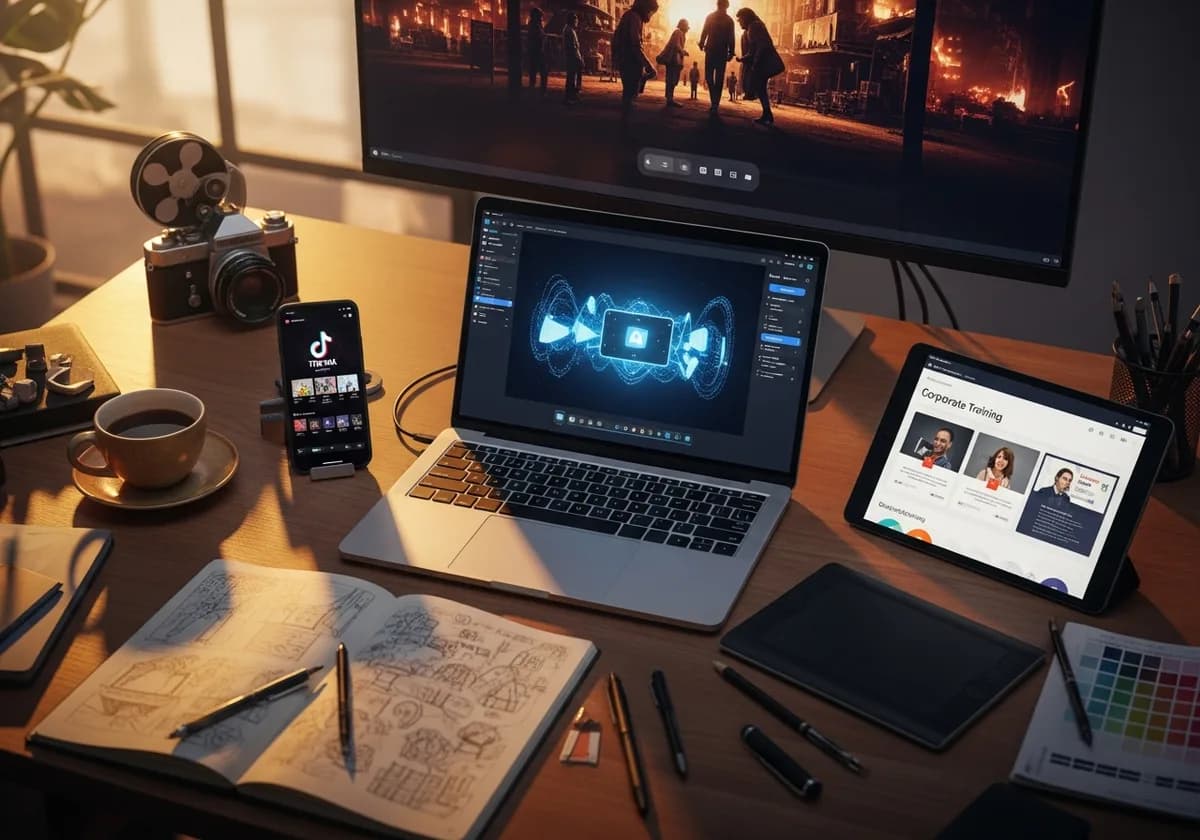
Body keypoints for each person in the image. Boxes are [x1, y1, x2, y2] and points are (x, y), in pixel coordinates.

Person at [735, 7, 784, 125]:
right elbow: (753, 49)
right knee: (761, 88)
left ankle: (767, 114)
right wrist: (743, 58)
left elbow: (761, 46)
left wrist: (755, 62)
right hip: (761, 62)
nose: (739, 22)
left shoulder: (753, 27)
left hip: (763, 63)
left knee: (761, 88)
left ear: (746, 18)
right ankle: (767, 114)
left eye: (740, 19)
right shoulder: (751, 28)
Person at [613, 0, 658, 118]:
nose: (650, 16)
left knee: (628, 95)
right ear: (645, 8)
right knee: (629, 96)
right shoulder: (634, 18)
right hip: (629, 61)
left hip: (626, 59)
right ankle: (625, 129)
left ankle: (625, 127)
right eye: (651, 13)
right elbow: (635, 46)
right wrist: (648, 65)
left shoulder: (631, 16)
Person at [698, 0, 735, 112]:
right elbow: (705, 31)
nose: (721, 7)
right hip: (716, 51)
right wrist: (701, 42)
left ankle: (715, 103)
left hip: (716, 52)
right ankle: (714, 101)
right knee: (711, 78)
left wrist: (731, 52)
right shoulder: (724, 20)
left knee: (716, 78)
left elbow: (731, 37)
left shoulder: (728, 20)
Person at [661, 19, 689, 107]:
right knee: (671, 79)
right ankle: (669, 99)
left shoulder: (680, 34)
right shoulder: (678, 33)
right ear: (683, 27)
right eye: (686, 27)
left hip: (675, 60)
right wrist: (683, 52)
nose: (688, 29)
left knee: (672, 79)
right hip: (674, 60)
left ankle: (670, 98)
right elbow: (676, 45)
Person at [563, 11, 584, 103]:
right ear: (572, 20)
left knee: (571, 77)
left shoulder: (568, 29)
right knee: (572, 78)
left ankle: (571, 96)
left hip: (571, 56)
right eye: (576, 19)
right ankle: (571, 96)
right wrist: (580, 59)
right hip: (573, 57)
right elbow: (574, 47)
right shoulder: (570, 31)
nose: (577, 21)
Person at [527, 8, 548, 94]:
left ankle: (534, 90)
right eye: (540, 16)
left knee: (534, 71)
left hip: (536, 51)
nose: (541, 18)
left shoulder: (535, 25)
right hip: (537, 52)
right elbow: (538, 38)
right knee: (542, 72)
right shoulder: (535, 26)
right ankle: (541, 91)